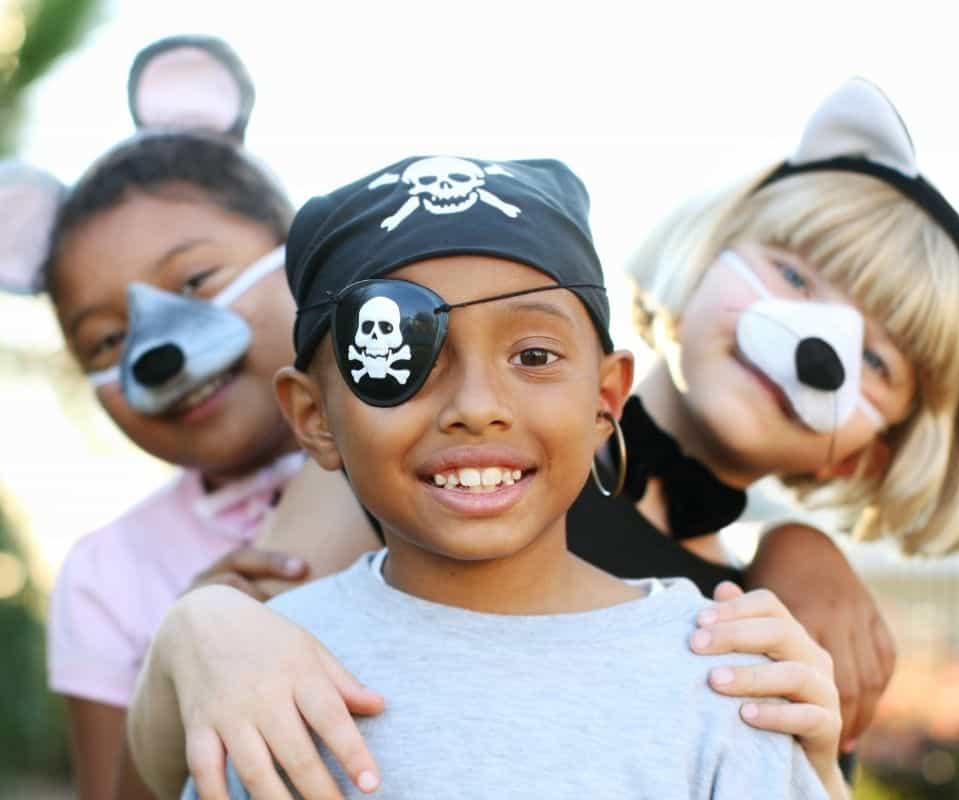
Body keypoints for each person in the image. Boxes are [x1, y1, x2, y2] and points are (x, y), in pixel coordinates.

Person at [135, 77, 959, 799]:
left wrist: (802, 558)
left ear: (874, 451)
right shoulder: (407, 467)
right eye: (794, 273)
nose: (816, 340)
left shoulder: (752, 636)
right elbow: (217, 716)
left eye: (876, 358)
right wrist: (199, 626)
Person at [181, 154, 834, 799]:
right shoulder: (271, 668)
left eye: (534, 354)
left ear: (606, 399)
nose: (476, 407)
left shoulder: (719, 679)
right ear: (315, 416)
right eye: (400, 356)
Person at [0, 36, 314, 800]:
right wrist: (181, 660)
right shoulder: (109, 575)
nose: (154, 349)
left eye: (198, 280)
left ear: (302, 248)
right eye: (107, 339)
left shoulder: (432, 459)